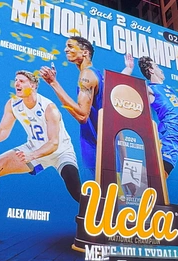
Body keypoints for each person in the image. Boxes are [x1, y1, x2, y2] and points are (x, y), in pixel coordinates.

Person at [0, 70, 82, 242]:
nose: (17, 84)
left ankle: (103, 218)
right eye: (16, 81)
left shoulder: (49, 107)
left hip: (60, 151)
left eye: (22, 81)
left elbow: (54, 143)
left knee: (74, 187)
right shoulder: (13, 104)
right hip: (32, 149)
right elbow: (2, 131)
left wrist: (32, 155)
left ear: (33, 86)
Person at [40, 36, 134, 179]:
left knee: (98, 197)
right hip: (109, 150)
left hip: (95, 149)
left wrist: (53, 83)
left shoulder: (87, 75)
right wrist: (128, 69)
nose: (66, 49)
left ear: (84, 52)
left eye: (71, 46)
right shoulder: (100, 76)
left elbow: (82, 115)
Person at [138, 56, 178, 176]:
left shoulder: (169, 89)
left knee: (158, 180)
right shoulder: (150, 89)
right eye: (157, 66)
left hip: (176, 140)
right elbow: (131, 89)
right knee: (158, 178)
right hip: (167, 138)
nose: (161, 69)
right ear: (151, 70)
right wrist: (128, 69)